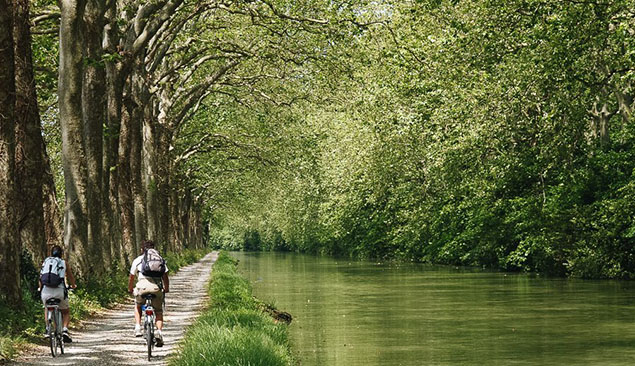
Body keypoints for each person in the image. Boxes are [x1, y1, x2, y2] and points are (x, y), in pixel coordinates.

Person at [128, 240, 169, 347]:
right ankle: (159, 332)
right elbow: (165, 276)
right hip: (156, 288)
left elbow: (131, 277)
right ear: (154, 248)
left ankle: (137, 327)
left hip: (142, 287)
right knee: (158, 311)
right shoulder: (159, 259)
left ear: (142, 249)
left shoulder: (138, 260)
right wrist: (166, 288)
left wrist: (130, 288)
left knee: (138, 305)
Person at [39, 245, 77, 343]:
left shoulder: (46, 262)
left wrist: (40, 288)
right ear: (61, 254)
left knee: (47, 308)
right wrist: (73, 285)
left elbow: (41, 277)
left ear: (51, 253)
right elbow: (70, 276)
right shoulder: (64, 263)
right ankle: (64, 330)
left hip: (46, 292)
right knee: (66, 312)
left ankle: (48, 328)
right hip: (59, 291)